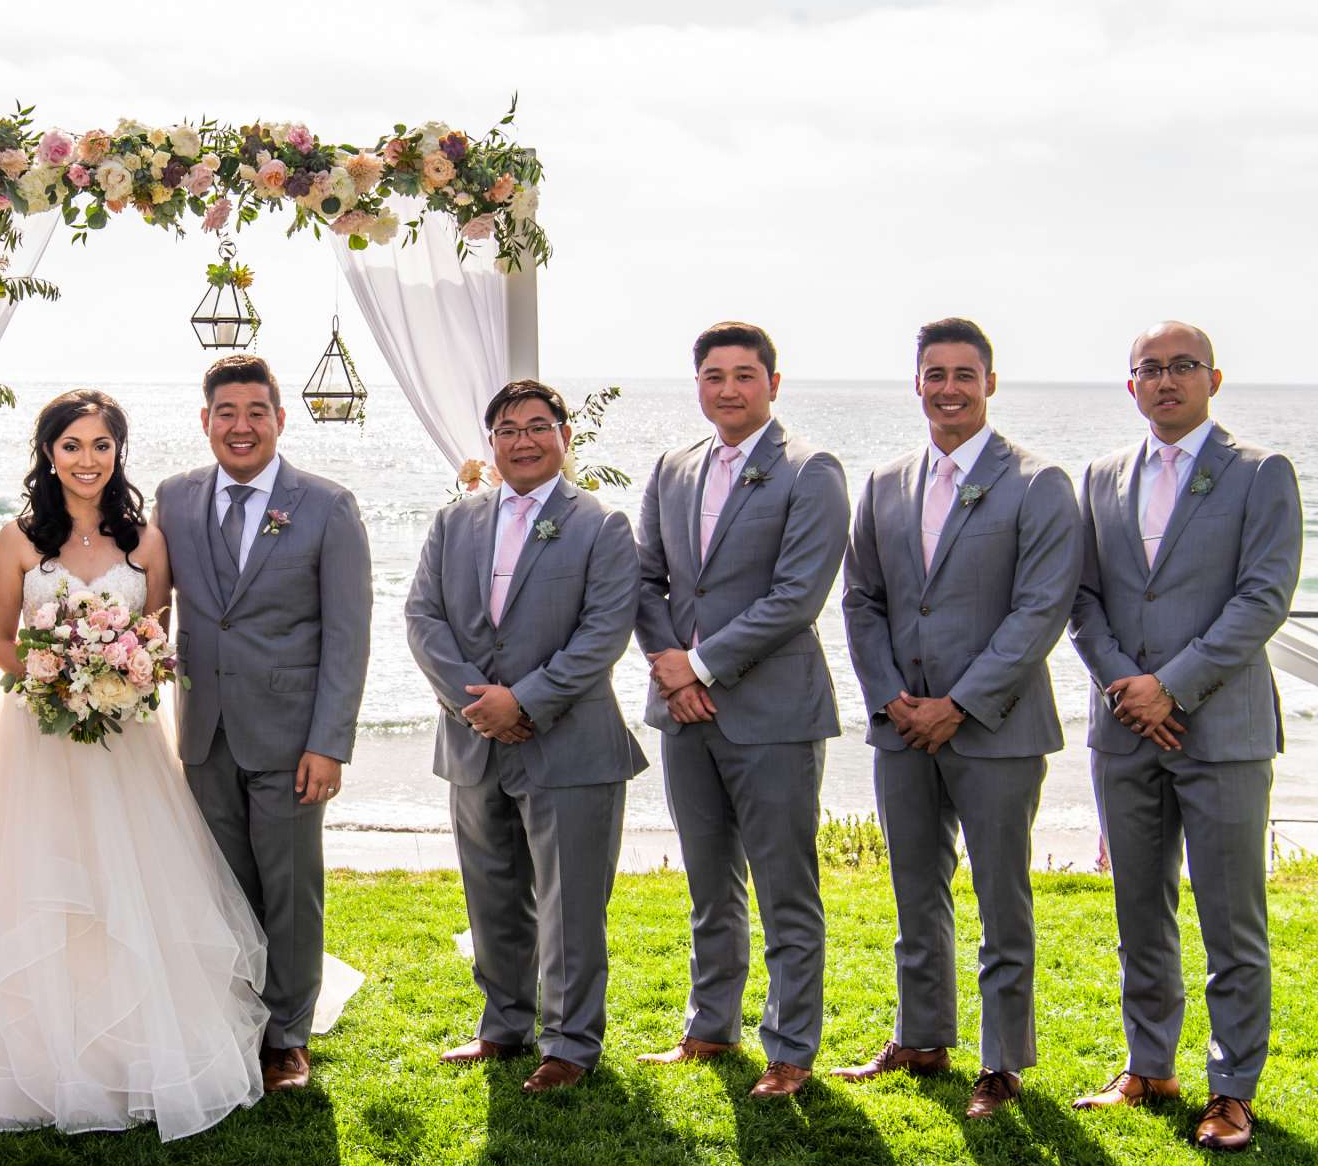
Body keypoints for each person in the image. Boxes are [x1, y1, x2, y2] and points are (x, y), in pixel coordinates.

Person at [0, 390, 270, 1140]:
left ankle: (136, 1054)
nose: (87, 460)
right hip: (37, 735)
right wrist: (59, 672)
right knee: (35, 881)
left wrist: (119, 675)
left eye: (101, 446)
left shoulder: (147, 542)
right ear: (48, 454)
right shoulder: (20, 538)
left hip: (125, 741)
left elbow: (156, 639)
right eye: (72, 446)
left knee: (129, 884)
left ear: (118, 453)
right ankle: (25, 1055)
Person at [828, 320, 1077, 1118]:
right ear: (917, 385)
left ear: (990, 384)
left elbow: (1041, 610)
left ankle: (1003, 1062)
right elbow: (862, 598)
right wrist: (891, 695)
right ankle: (921, 1035)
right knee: (914, 890)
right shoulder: (885, 482)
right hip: (901, 725)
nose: (948, 389)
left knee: (1002, 900)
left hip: (995, 728)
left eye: (964, 374)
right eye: (934, 374)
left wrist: (961, 703)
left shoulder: (1038, 483)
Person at [1067, 321, 1301, 1153]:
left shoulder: (1260, 473)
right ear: (1131, 386)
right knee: (1140, 909)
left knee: (1232, 918)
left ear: (1214, 378)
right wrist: (1125, 687)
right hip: (1125, 730)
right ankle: (1149, 1066)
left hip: (1224, 728)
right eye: (1150, 369)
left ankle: (1232, 1089)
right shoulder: (1098, 477)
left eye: (1182, 366)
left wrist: (1173, 684)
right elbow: (1081, 600)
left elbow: (1264, 597)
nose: (1166, 380)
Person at [406, 379, 645, 1094]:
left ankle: (570, 1043)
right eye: (507, 428)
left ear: (564, 437)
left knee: (572, 904)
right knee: (492, 893)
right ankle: (503, 1025)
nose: (523, 440)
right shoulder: (455, 524)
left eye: (538, 426)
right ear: (492, 443)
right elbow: (422, 618)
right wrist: (475, 702)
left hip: (569, 745)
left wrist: (526, 702)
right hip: (473, 739)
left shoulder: (601, 526)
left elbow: (604, 633)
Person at [633, 322, 849, 1099]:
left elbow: (797, 598)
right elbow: (645, 580)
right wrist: (670, 672)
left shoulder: (810, 471)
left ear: (774, 384)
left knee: (785, 885)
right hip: (684, 713)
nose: (729, 388)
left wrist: (700, 662)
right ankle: (710, 1028)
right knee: (708, 882)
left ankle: (791, 1046)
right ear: (698, 386)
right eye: (715, 376)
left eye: (745, 375)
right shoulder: (671, 467)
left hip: (774, 712)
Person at [157, 355, 372, 1094]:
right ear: (205, 420)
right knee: (221, 884)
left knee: (289, 888)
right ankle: (234, 1018)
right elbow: (156, 609)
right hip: (203, 730)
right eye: (226, 412)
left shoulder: (327, 506)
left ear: (280, 419)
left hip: (290, 739)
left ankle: (286, 1036)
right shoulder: (175, 500)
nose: (240, 426)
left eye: (256, 411)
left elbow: (348, 635)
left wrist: (328, 743)